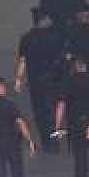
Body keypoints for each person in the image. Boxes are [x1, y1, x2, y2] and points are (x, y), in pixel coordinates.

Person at [14, 8, 66, 149]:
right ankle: (54, 136)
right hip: (55, 78)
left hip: (36, 80)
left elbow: (23, 60)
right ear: (46, 19)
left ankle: (46, 138)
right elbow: (65, 56)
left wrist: (18, 78)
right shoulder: (57, 36)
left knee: (40, 110)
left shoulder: (27, 38)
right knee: (55, 107)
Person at [52, 54, 89, 177]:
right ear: (85, 67)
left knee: (80, 160)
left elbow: (61, 105)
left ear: (73, 68)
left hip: (76, 125)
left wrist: (58, 127)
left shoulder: (68, 83)